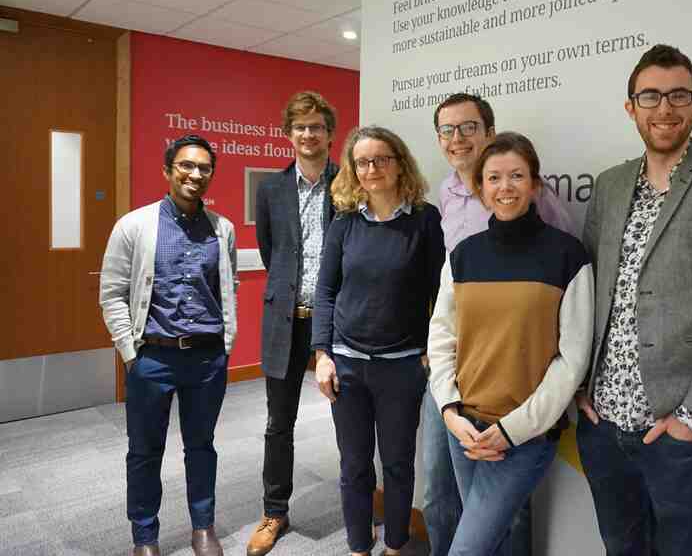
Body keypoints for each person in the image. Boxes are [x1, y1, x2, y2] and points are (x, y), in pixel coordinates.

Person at [575, 44, 692, 556]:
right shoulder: (611, 184)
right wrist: (580, 387)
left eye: (679, 95)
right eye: (651, 96)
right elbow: (588, 296)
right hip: (602, 423)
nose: (665, 108)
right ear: (630, 106)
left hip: (678, 428)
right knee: (622, 547)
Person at [423, 92, 575, 556]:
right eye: (447, 130)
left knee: (510, 509)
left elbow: (558, 285)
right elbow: (447, 297)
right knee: (440, 489)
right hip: (458, 377)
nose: (457, 138)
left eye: (468, 127)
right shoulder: (445, 194)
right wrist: (443, 376)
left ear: (488, 133)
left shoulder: (538, 204)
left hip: (516, 386)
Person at [99, 134, 238, 556]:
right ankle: (145, 536)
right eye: (186, 166)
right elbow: (112, 293)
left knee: (202, 447)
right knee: (144, 452)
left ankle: (203, 527)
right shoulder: (134, 225)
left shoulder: (223, 229)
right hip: (152, 357)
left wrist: (226, 344)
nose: (195, 174)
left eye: (204, 168)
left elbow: (226, 288)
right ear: (168, 170)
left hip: (206, 357)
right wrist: (130, 352)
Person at [312, 126, 444, 556]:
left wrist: (429, 349)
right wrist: (323, 354)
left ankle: (394, 545)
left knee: (398, 464)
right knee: (353, 466)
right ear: (353, 169)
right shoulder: (344, 222)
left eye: (381, 159)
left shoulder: (424, 219)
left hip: (402, 366)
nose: (372, 169)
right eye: (363, 162)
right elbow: (326, 291)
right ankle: (357, 546)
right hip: (347, 364)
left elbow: (439, 291)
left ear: (399, 162)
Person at [246, 91, 340, 556]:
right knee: (278, 424)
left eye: (317, 127)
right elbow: (271, 251)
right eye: (300, 127)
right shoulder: (271, 189)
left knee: (350, 421)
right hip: (286, 320)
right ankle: (274, 512)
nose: (309, 134)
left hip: (340, 324)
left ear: (329, 134)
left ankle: (360, 503)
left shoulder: (349, 184)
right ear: (289, 134)